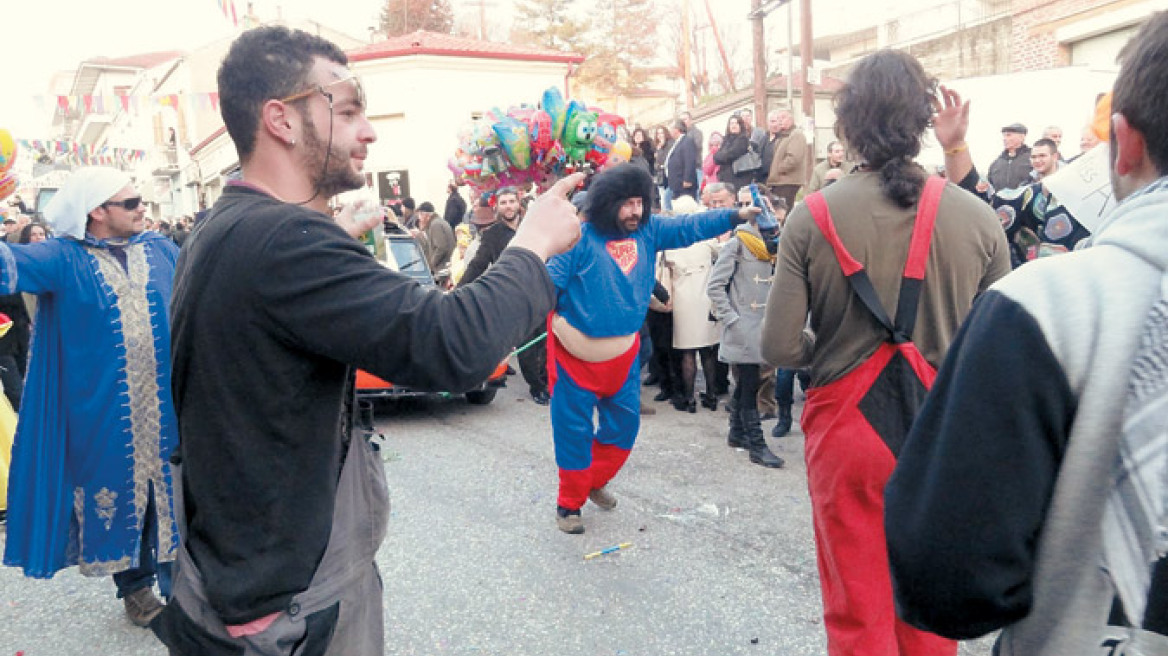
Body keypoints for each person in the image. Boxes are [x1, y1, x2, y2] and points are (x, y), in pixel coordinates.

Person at [158, 25, 581, 655]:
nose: (370, 131)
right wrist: (533, 245)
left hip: (244, 583)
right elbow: (452, 347)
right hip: (288, 613)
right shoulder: (283, 244)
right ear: (281, 119)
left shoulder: (232, 227)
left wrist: (330, 237)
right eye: (349, 109)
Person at [884, 14, 1168, 652]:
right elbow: (999, 216)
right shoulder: (1053, 201)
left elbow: (950, 574)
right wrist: (958, 150)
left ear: (1122, 143)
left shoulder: (1045, 307)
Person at [760, 50, 1011, 655]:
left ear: (847, 126)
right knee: (926, 609)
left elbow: (779, 345)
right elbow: (1001, 345)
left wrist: (834, 345)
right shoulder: (978, 218)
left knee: (857, 610)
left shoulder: (811, 216)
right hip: (940, 433)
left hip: (848, 436)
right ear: (923, 122)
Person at [1, 167, 181, 628]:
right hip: (102, 414)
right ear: (97, 212)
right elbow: (6, 267)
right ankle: (136, 588)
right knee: (123, 501)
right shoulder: (63, 258)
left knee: (175, 497)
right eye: (131, 201)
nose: (143, 207)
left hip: (170, 408)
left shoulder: (160, 250)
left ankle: (183, 590)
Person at [546, 162, 758, 534]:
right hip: (575, 357)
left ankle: (592, 480)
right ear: (608, 203)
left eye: (640, 202)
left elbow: (692, 227)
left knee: (625, 427)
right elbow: (543, 287)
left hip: (623, 355)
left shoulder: (649, 231)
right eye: (626, 204)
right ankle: (569, 505)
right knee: (573, 431)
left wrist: (736, 214)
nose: (636, 211)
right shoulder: (576, 239)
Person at [707, 186, 784, 468]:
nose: (771, 215)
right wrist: (732, 319)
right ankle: (756, 443)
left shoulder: (777, 244)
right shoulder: (738, 243)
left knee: (747, 383)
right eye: (766, 209)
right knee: (750, 383)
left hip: (764, 326)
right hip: (743, 327)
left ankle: (736, 432)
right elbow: (715, 286)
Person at [458, 187, 549, 405]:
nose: (508, 206)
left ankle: (546, 381)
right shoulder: (493, 234)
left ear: (519, 203)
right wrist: (460, 289)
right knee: (526, 340)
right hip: (514, 295)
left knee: (544, 340)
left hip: (541, 290)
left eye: (511, 201)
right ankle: (536, 386)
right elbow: (478, 264)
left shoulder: (532, 228)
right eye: (503, 203)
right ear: (497, 207)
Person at [659, 194, 721, 413]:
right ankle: (712, 395)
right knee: (708, 351)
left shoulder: (671, 242)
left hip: (682, 297)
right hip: (705, 297)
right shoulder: (704, 238)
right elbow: (721, 253)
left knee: (687, 352)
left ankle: (689, 398)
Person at [761, 108, 808, 211]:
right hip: (778, 181)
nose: (780, 121)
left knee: (783, 210)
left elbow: (794, 158)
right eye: (778, 118)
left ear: (791, 119)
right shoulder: (782, 136)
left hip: (788, 181)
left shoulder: (796, 134)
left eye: (783, 117)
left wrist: (779, 169)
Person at [713, 115, 756, 192]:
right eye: (731, 123)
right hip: (725, 178)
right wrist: (721, 156)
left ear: (740, 125)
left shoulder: (742, 139)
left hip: (739, 178)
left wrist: (721, 155)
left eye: (736, 123)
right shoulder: (726, 139)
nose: (733, 126)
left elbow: (731, 154)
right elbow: (716, 158)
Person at [986, 122, 1033, 192]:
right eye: (1004, 136)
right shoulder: (995, 164)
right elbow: (989, 189)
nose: (1004, 139)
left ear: (1022, 137)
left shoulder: (1033, 158)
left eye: (1008, 135)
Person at [664, 119, 698, 204]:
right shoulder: (676, 142)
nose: (670, 131)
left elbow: (689, 161)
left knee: (686, 206)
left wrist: (687, 179)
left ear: (677, 129)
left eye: (671, 128)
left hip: (684, 184)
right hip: (676, 184)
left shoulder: (686, 141)